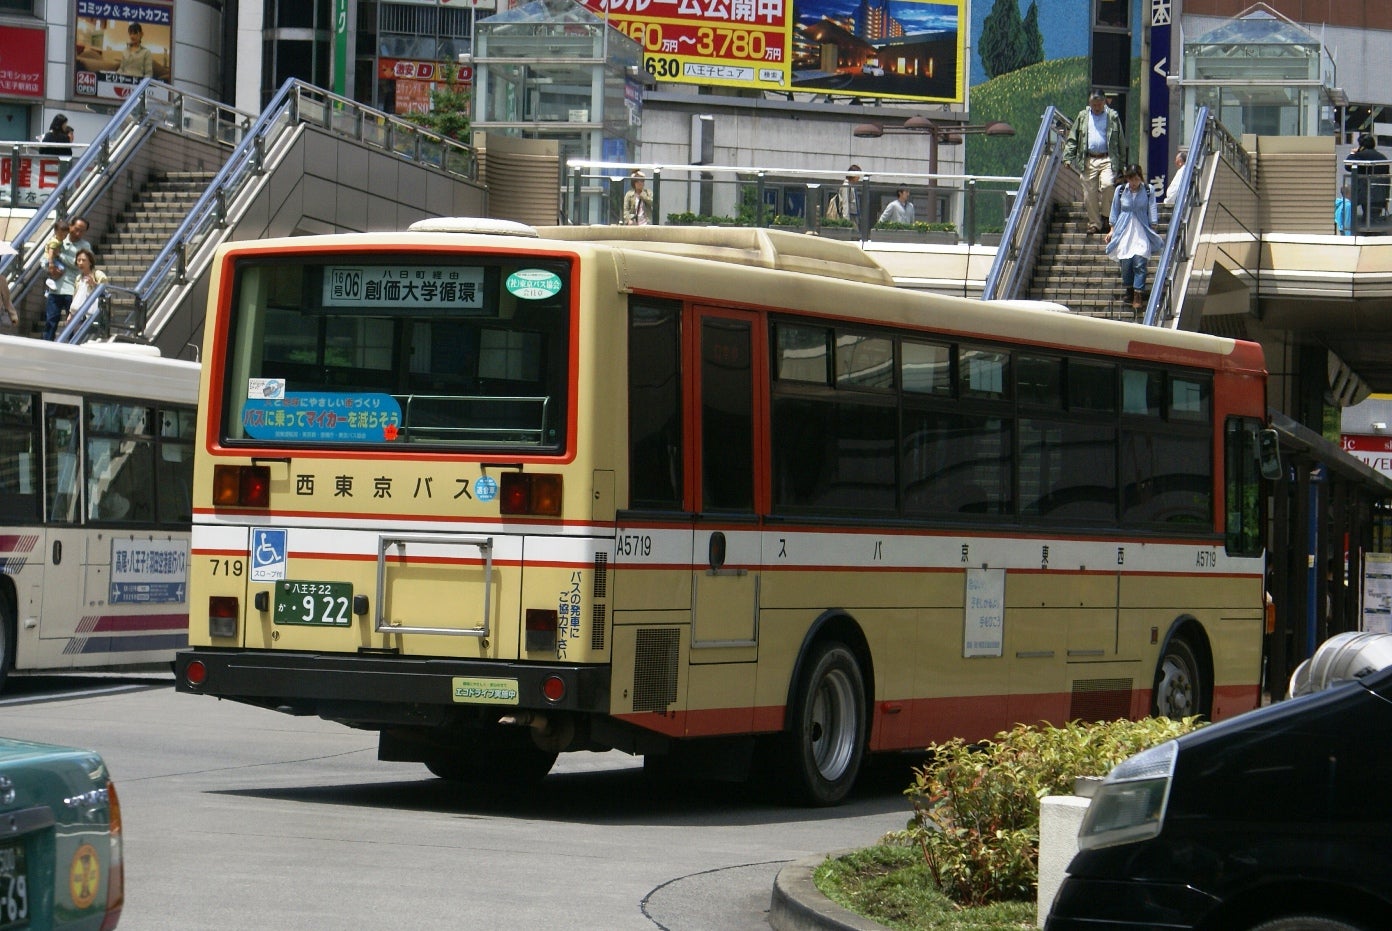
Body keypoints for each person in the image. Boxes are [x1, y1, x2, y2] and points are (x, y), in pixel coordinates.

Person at [1063, 91, 1125, 234]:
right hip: (1088, 159)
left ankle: (1106, 216)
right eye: (1094, 104)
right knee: (1089, 193)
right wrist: (1068, 157)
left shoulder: (1112, 116)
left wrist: (1122, 164)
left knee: (1108, 185)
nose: (1096, 107)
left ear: (1104, 102)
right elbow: (1073, 138)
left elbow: (1120, 140)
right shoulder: (1083, 116)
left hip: (1107, 158)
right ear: (1090, 103)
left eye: (1099, 104)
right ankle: (1095, 223)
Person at [1105, 164, 1162, 311]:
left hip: (1141, 229)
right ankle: (1129, 288)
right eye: (1131, 179)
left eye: (1136, 179)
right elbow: (1115, 209)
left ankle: (1138, 294)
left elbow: (1152, 207)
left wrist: (1153, 226)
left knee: (1139, 261)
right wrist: (1112, 230)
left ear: (1140, 177)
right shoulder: (1121, 190)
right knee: (1126, 264)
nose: (1134, 182)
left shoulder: (1148, 190)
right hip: (1124, 230)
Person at [44, 216, 92, 340]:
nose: (78, 233)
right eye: (76, 229)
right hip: (56, 288)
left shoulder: (85, 246)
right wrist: (50, 268)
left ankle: (72, 347)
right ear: (70, 226)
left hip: (73, 290)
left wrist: (60, 255)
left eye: (82, 231)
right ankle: (46, 346)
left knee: (73, 323)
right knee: (50, 321)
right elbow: (45, 258)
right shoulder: (58, 240)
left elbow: (79, 264)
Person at [1345, 133, 1389, 229]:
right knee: (1372, 218)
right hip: (1380, 194)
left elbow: (1347, 166)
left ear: (1362, 145)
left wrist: (1352, 153)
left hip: (1364, 193)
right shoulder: (1382, 158)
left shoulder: (1360, 155)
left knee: (1346, 195)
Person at [70, 248, 109, 325]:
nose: (81, 263)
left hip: (94, 314)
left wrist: (94, 284)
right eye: (78, 260)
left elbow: (106, 293)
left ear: (90, 262)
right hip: (80, 314)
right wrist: (71, 314)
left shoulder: (98, 275)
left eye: (84, 260)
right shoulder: (78, 278)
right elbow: (75, 296)